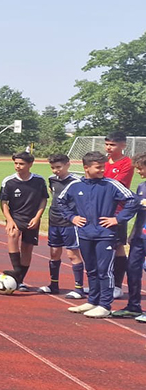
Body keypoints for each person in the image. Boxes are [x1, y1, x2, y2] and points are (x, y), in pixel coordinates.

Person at [55, 150, 140, 319]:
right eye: (98, 168)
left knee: (104, 271)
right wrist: (72, 217)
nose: (102, 170)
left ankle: (105, 305)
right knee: (91, 269)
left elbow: (133, 200)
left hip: (105, 235)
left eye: (103, 167)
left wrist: (118, 219)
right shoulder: (75, 185)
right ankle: (92, 301)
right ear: (86, 168)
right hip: (85, 233)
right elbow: (60, 201)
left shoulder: (111, 184)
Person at [0, 151, 48, 290]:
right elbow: (3, 202)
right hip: (16, 217)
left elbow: (43, 200)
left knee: (27, 248)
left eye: (21, 164)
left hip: (32, 218)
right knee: (12, 235)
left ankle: (19, 279)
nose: (18, 166)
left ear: (30, 164)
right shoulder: (8, 181)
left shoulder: (39, 181)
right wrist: (9, 220)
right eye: (16, 163)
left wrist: (37, 218)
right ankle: (17, 274)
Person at [39, 153, 85, 296]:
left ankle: (79, 288)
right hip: (54, 221)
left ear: (67, 165)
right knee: (54, 254)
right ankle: (54, 285)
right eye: (53, 167)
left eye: (58, 167)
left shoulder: (78, 181)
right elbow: (54, 195)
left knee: (72, 254)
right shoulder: (52, 179)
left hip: (69, 223)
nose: (55, 170)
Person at [113, 153, 146, 320]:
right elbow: (136, 212)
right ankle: (134, 306)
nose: (139, 172)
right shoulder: (141, 187)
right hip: (139, 238)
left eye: (140, 168)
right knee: (133, 270)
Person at [104, 132, 133, 298]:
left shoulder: (127, 163)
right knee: (99, 246)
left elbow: (115, 184)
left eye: (112, 144)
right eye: (107, 144)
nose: (108, 147)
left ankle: (117, 285)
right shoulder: (102, 161)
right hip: (99, 209)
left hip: (117, 211)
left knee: (117, 246)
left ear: (123, 145)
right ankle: (100, 283)